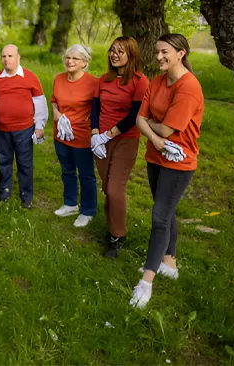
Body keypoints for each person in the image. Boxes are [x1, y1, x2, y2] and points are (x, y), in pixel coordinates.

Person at [130, 34, 204, 309]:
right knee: (166, 210)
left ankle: (146, 282)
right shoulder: (157, 81)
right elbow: (140, 119)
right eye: (157, 52)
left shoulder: (188, 88)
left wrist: (156, 132)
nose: (158, 57)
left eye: (164, 52)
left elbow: (167, 129)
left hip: (178, 161)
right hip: (155, 156)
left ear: (181, 53)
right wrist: (157, 139)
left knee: (160, 217)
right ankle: (169, 262)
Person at [90, 36, 149, 258]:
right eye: (112, 50)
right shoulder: (103, 80)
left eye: (120, 51)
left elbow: (134, 115)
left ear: (131, 55)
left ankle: (118, 236)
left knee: (115, 189)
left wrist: (108, 134)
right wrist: (95, 135)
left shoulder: (140, 81)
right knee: (107, 188)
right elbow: (94, 109)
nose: (114, 54)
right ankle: (111, 229)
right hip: (100, 139)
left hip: (125, 138)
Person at [0, 44, 48, 208]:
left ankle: (26, 196)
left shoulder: (30, 77)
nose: (6, 59)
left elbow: (40, 103)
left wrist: (39, 125)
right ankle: (4, 192)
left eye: (10, 56)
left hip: (24, 129)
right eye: (4, 56)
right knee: (4, 162)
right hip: (2, 130)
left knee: (24, 163)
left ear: (18, 57)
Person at [51, 45, 99, 227]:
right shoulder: (59, 79)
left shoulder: (93, 84)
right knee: (67, 170)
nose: (69, 61)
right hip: (60, 135)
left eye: (75, 59)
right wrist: (56, 113)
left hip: (82, 136)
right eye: (67, 57)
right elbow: (54, 101)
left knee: (86, 174)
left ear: (84, 63)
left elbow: (98, 109)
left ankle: (88, 210)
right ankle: (70, 203)